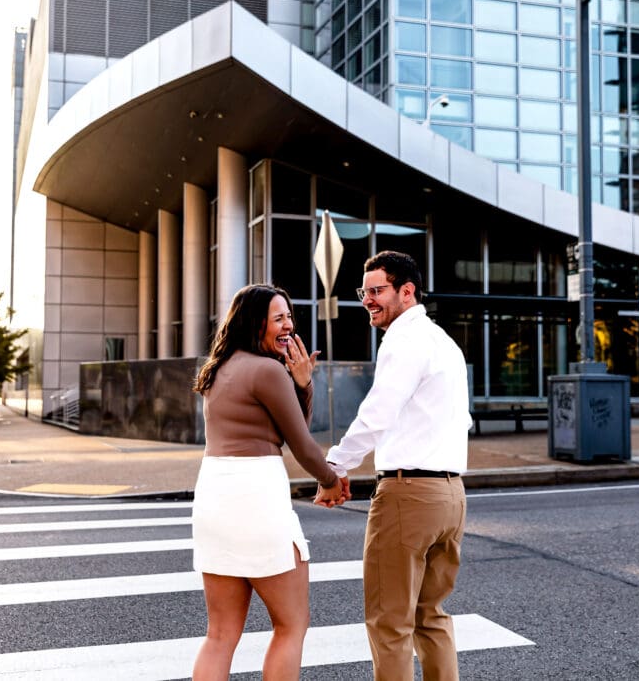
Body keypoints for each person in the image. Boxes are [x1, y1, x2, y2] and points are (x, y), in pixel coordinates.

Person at [318, 251, 472, 681]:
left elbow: (376, 414)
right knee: (431, 616)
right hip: (451, 496)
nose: (368, 299)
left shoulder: (404, 341)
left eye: (377, 290)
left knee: (390, 623)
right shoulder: (443, 342)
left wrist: (334, 468)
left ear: (407, 292)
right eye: (363, 291)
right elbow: (463, 419)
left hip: (408, 496)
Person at [191, 283, 349, 681]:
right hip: (256, 496)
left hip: (213, 494)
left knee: (221, 633)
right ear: (254, 322)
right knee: (291, 625)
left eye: (289, 317)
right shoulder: (266, 371)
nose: (288, 326)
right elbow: (302, 443)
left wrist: (301, 382)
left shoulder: (219, 369)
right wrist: (331, 480)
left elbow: (286, 427)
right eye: (278, 318)